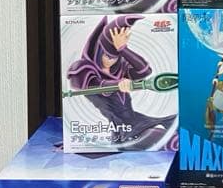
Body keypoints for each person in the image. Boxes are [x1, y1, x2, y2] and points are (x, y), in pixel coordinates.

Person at [66, 16, 177, 148]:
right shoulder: (84, 69)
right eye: (107, 55)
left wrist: (123, 49)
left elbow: (145, 71)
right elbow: (95, 85)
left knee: (177, 126)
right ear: (97, 51)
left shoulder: (118, 68)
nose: (111, 60)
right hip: (124, 130)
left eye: (115, 57)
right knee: (168, 140)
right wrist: (118, 84)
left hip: (137, 120)